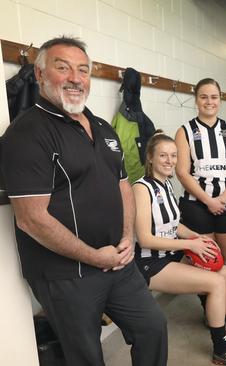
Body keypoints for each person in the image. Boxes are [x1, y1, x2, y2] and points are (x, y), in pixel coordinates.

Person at [1, 36, 167, 365]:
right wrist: (94, 256)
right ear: (40, 74)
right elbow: (31, 218)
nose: (75, 78)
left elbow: (123, 186)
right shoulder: (26, 133)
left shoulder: (103, 127)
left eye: (83, 70)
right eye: (62, 68)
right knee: (86, 356)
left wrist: (125, 238)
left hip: (117, 261)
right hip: (66, 274)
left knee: (152, 327)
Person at [133, 132, 226, 365]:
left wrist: (198, 237)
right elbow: (145, 239)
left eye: (173, 155)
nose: (169, 160)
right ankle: (221, 349)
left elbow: (174, 226)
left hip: (171, 255)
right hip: (150, 263)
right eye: (163, 155)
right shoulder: (142, 188)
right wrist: (189, 244)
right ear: (150, 157)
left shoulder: (167, 186)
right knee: (215, 282)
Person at [175, 78, 226, 323]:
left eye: (214, 97)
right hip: (197, 204)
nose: (209, 102)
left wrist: (224, 196)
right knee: (205, 260)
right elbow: (182, 172)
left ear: (220, 100)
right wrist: (208, 200)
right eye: (204, 97)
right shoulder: (185, 131)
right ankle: (212, 306)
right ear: (196, 100)